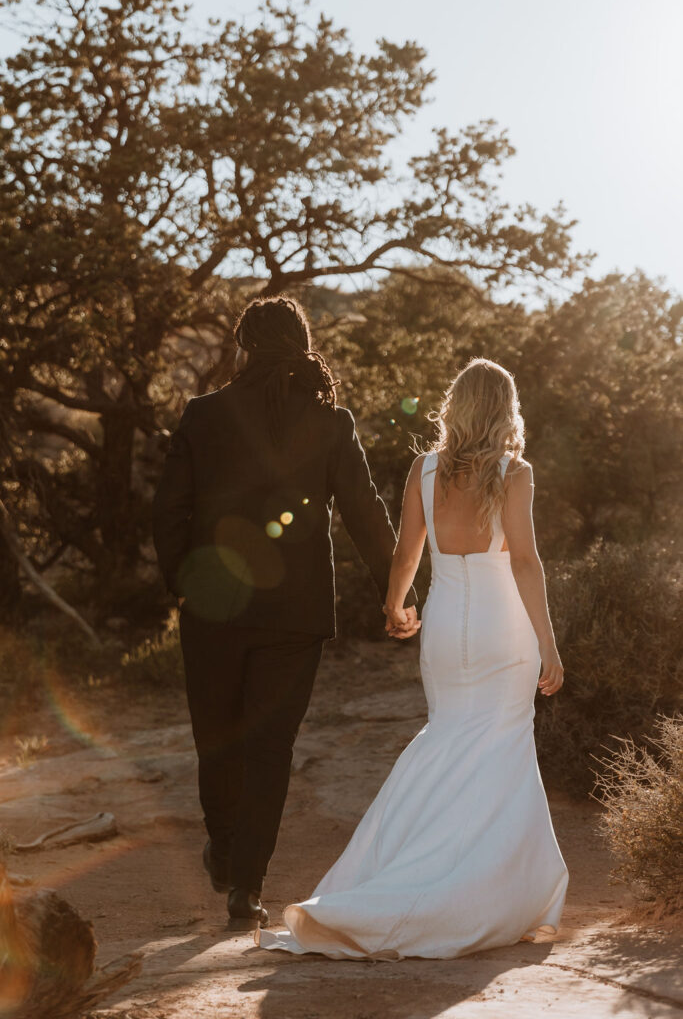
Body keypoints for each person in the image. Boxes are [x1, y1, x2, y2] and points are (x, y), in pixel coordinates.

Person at [259, 357, 569, 960]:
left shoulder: (425, 470)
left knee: (445, 739)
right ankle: (487, 894)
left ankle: (403, 874)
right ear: (504, 410)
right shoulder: (514, 472)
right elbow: (525, 562)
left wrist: (396, 606)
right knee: (500, 751)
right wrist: (550, 645)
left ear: (456, 406)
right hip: (502, 631)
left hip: (446, 626)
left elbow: (407, 548)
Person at [151, 296, 418, 931]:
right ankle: (246, 885)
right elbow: (363, 512)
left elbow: (168, 513)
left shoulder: (202, 415)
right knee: (271, 748)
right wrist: (396, 595)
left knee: (216, 738)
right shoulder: (330, 422)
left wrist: (180, 588)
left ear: (243, 345)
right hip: (295, 614)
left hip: (211, 608)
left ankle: (225, 851)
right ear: (300, 346)